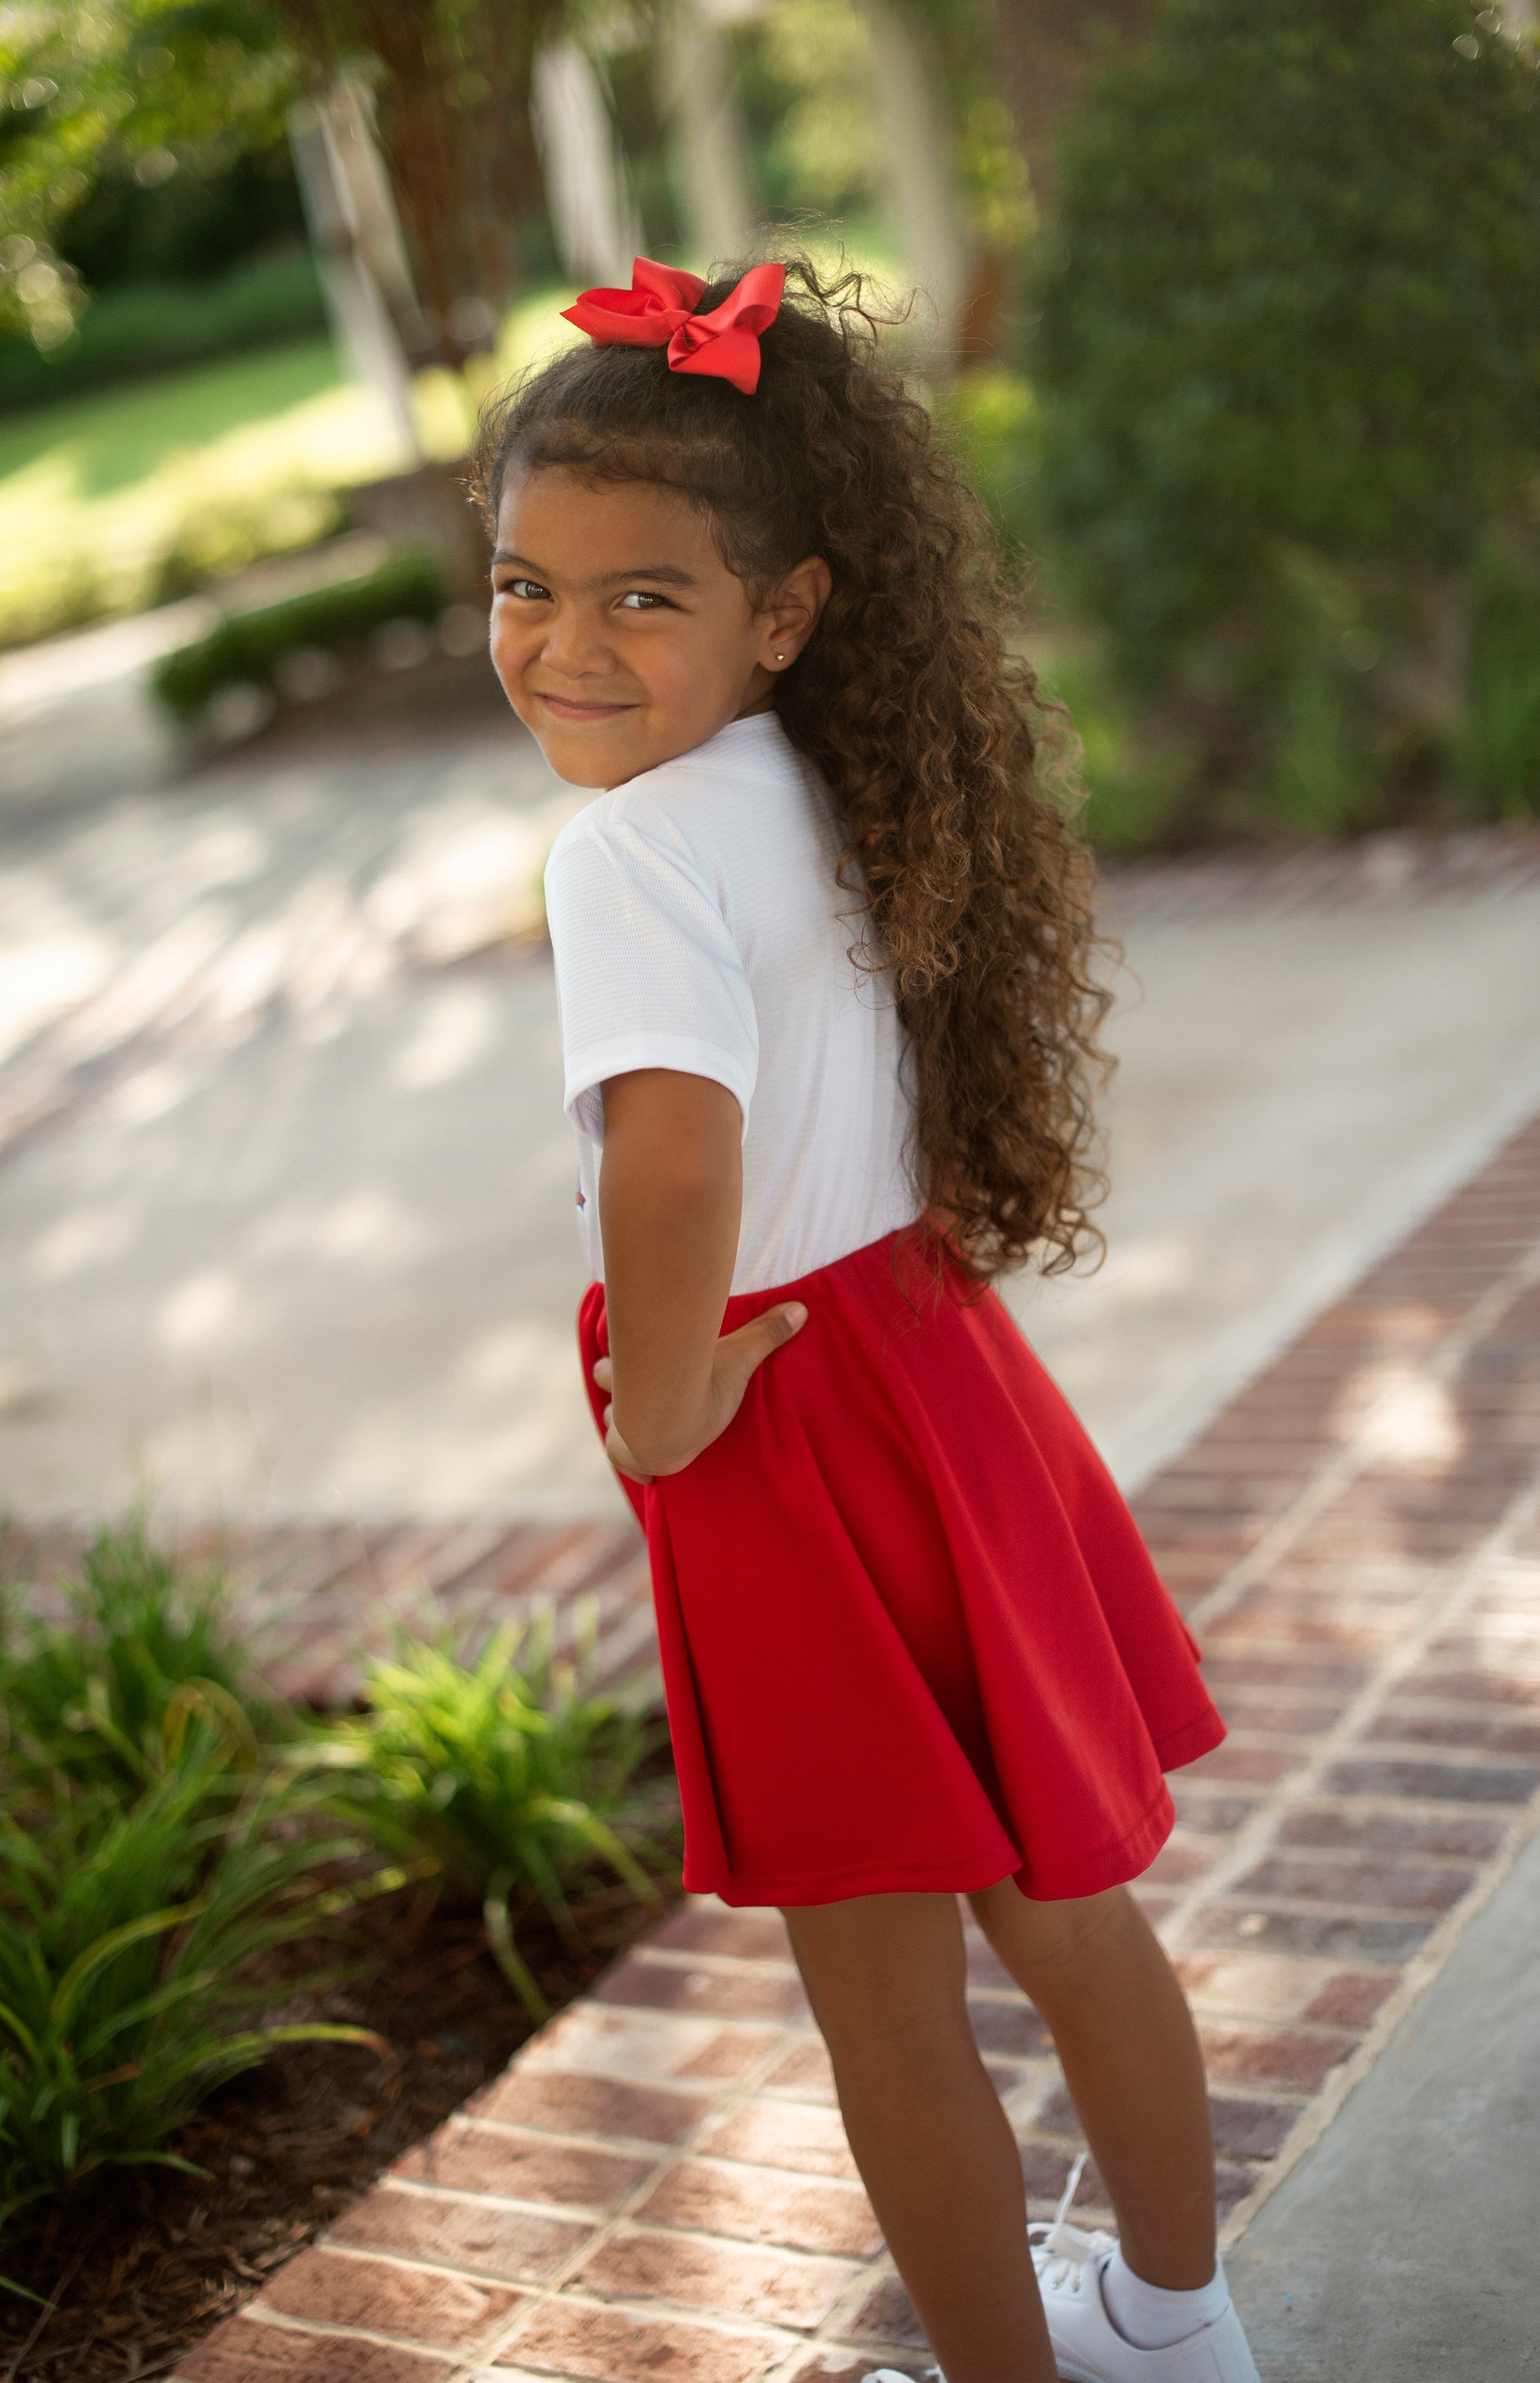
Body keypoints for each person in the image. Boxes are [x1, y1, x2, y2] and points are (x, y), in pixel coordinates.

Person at [477, 253, 1261, 2383]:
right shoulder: (832, 780)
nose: (561, 641)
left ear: (782, 610)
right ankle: (1178, 2334)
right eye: (522, 584)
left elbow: (668, 1153)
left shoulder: (626, 850)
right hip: (931, 1366)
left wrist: (652, 1412)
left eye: (642, 595)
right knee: (1068, 1904)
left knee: (884, 1991)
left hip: (777, 1428)